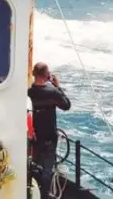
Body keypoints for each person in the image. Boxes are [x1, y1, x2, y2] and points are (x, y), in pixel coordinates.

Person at [28, 62, 71, 199]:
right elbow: (66, 105)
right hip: (49, 139)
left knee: (32, 169)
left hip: (33, 139)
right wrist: (57, 86)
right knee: (46, 173)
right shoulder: (53, 92)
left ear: (34, 75)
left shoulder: (28, 93)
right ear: (47, 76)